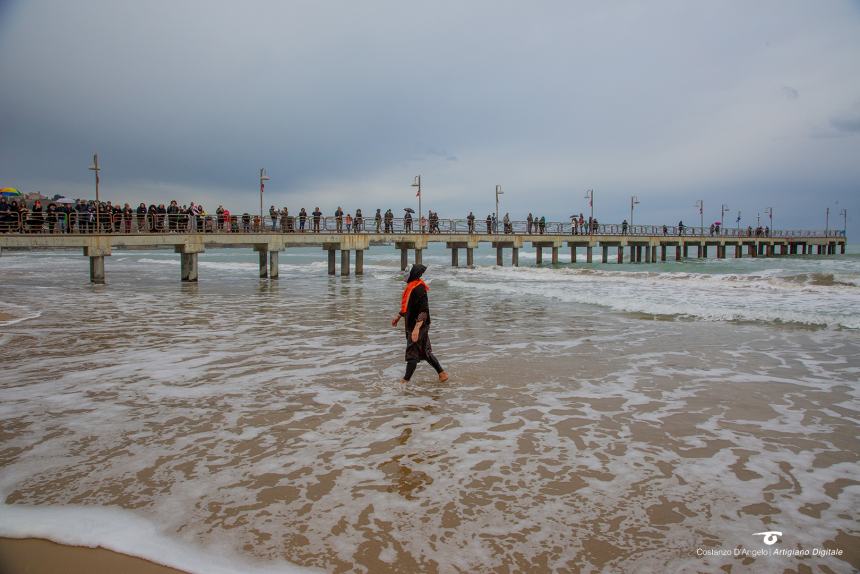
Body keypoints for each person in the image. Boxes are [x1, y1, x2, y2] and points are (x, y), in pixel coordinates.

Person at [392, 264, 448, 385]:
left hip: (418, 325)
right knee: (424, 351)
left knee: (412, 353)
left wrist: (417, 328)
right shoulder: (411, 287)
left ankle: (404, 381)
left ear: (413, 274)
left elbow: (423, 310)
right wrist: (398, 316)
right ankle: (442, 374)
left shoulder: (419, 288)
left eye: (407, 272)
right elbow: (408, 306)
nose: (405, 274)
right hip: (412, 324)